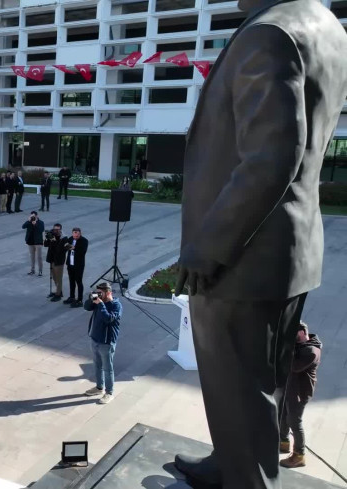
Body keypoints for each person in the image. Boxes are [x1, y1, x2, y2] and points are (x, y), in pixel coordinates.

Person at [173, 0, 347, 486]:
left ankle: (246, 476)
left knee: (238, 387)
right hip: (288, 251)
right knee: (261, 384)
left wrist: (208, 247)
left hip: (242, 258)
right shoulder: (326, 25)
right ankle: (231, 461)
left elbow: (271, 156)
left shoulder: (269, 32)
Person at [279, 321, 322, 469]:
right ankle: (283, 442)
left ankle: (299, 455)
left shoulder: (311, 351)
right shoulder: (301, 346)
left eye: (294, 334)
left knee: (294, 422)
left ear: (303, 332)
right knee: (283, 415)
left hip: (299, 392)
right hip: (290, 388)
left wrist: (285, 348)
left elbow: (294, 366)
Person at [83, 283, 122, 405]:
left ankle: (109, 393)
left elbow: (108, 318)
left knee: (107, 368)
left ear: (109, 293)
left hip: (107, 342)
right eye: (97, 292)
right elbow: (86, 307)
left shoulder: (116, 305)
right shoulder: (98, 303)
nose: (98, 295)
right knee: (97, 365)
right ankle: (99, 388)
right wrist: (91, 300)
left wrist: (100, 304)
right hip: (95, 339)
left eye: (101, 293)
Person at [63, 228, 88, 308]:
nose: (75, 237)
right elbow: (66, 248)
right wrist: (66, 246)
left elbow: (83, 252)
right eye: (74, 235)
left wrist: (75, 248)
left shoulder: (84, 241)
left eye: (77, 235)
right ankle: (72, 297)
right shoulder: (70, 238)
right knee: (71, 281)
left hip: (78, 265)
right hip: (70, 264)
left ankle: (80, 300)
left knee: (79, 282)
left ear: (80, 234)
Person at [44, 223, 68, 302]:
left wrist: (54, 241)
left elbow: (60, 250)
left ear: (61, 230)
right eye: (55, 229)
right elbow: (45, 245)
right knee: (54, 277)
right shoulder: (52, 234)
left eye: (57, 229)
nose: (56, 231)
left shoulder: (64, 238)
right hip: (52, 259)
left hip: (59, 261)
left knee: (58, 278)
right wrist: (47, 238)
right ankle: (57, 291)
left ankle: (58, 294)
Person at [22, 211, 44, 276]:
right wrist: (28, 221)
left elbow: (41, 230)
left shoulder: (40, 222)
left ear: (37, 216)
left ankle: (40, 271)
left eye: (34, 216)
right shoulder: (29, 222)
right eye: (32, 216)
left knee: (39, 257)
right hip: (30, 242)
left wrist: (35, 224)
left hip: (38, 242)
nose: (33, 217)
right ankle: (32, 270)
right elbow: (23, 226)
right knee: (32, 257)